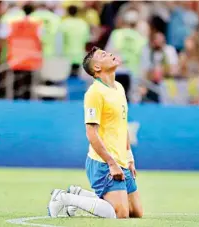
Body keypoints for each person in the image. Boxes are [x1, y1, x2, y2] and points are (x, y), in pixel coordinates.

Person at [48, 47, 143, 219]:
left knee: (135, 212)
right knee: (119, 213)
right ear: (97, 68)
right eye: (104, 55)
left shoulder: (119, 88)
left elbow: (123, 126)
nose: (111, 54)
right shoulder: (94, 93)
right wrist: (111, 163)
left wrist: (129, 157)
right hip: (103, 162)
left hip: (121, 158)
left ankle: (80, 194)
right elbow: (91, 132)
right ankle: (64, 198)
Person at [60, 5, 90, 77]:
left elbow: (61, 39)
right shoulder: (83, 23)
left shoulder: (64, 23)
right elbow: (86, 39)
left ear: (67, 12)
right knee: (76, 77)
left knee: (67, 77)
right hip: (78, 55)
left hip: (67, 55)